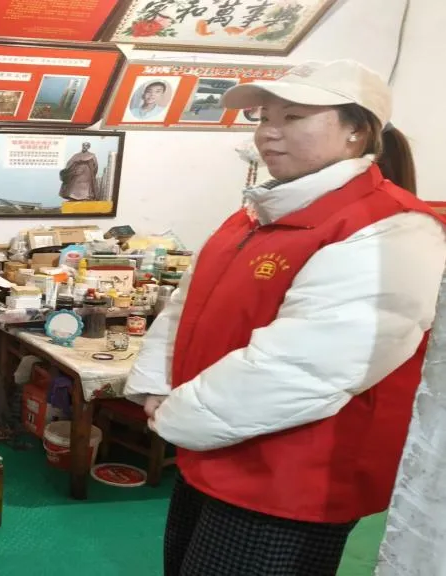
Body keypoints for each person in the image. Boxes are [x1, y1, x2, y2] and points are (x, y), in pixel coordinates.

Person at [124, 60, 446, 576]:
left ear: (358, 131)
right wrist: (157, 386)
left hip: (290, 480)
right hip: (215, 448)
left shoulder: (391, 229)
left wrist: (180, 415)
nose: (268, 133)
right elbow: (186, 305)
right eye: (263, 117)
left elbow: (307, 366)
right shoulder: (258, 214)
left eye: (293, 117)